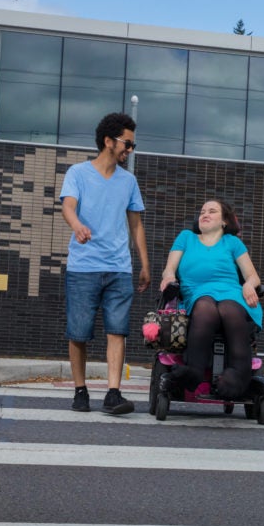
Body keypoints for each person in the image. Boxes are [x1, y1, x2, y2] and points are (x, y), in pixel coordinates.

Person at [60, 112, 150, 414]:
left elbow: (136, 224)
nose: (130, 150)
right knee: (78, 333)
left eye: (133, 145)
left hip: (119, 268)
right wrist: (77, 225)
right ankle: (80, 391)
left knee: (117, 330)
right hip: (83, 267)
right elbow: (68, 206)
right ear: (109, 141)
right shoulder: (78, 173)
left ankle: (113, 393)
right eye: (128, 143)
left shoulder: (129, 181)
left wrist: (144, 264)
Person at [158, 199, 263, 399]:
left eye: (212, 211)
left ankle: (239, 373)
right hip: (196, 291)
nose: (205, 214)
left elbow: (252, 276)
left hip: (231, 292)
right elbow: (170, 268)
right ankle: (195, 371)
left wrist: (249, 285)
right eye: (202, 212)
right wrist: (169, 276)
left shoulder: (232, 242)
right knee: (205, 305)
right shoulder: (186, 237)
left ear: (224, 221)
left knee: (229, 308)